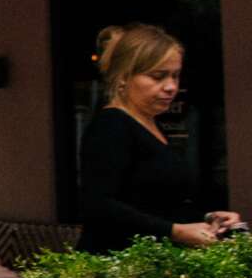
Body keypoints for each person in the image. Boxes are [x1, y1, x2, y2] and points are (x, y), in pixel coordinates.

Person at [76, 23, 241, 254]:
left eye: (175, 76)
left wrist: (209, 218)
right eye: (158, 76)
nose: (171, 87)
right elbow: (99, 206)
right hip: (117, 270)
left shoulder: (150, 124)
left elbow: (154, 204)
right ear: (124, 77)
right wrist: (176, 231)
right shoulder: (111, 125)